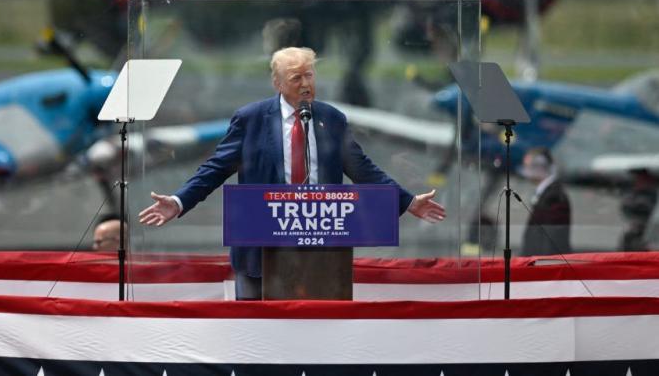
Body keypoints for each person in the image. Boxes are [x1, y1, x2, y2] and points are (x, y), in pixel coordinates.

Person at [138, 47, 446, 299]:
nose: (305, 84)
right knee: (257, 334)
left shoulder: (331, 119)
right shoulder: (251, 119)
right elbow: (215, 168)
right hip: (260, 249)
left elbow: (362, 168)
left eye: (309, 75)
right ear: (277, 83)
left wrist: (407, 202)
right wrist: (178, 201)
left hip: (320, 249)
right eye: (296, 77)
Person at [519, 147, 572, 256]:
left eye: (528, 166)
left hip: (543, 265)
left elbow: (552, 238)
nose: (526, 171)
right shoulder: (548, 194)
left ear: (540, 167)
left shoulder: (554, 197)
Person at [619, 168, 658, 252]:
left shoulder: (650, 194)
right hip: (639, 226)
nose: (637, 181)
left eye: (640, 179)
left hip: (646, 226)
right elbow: (626, 207)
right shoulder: (633, 193)